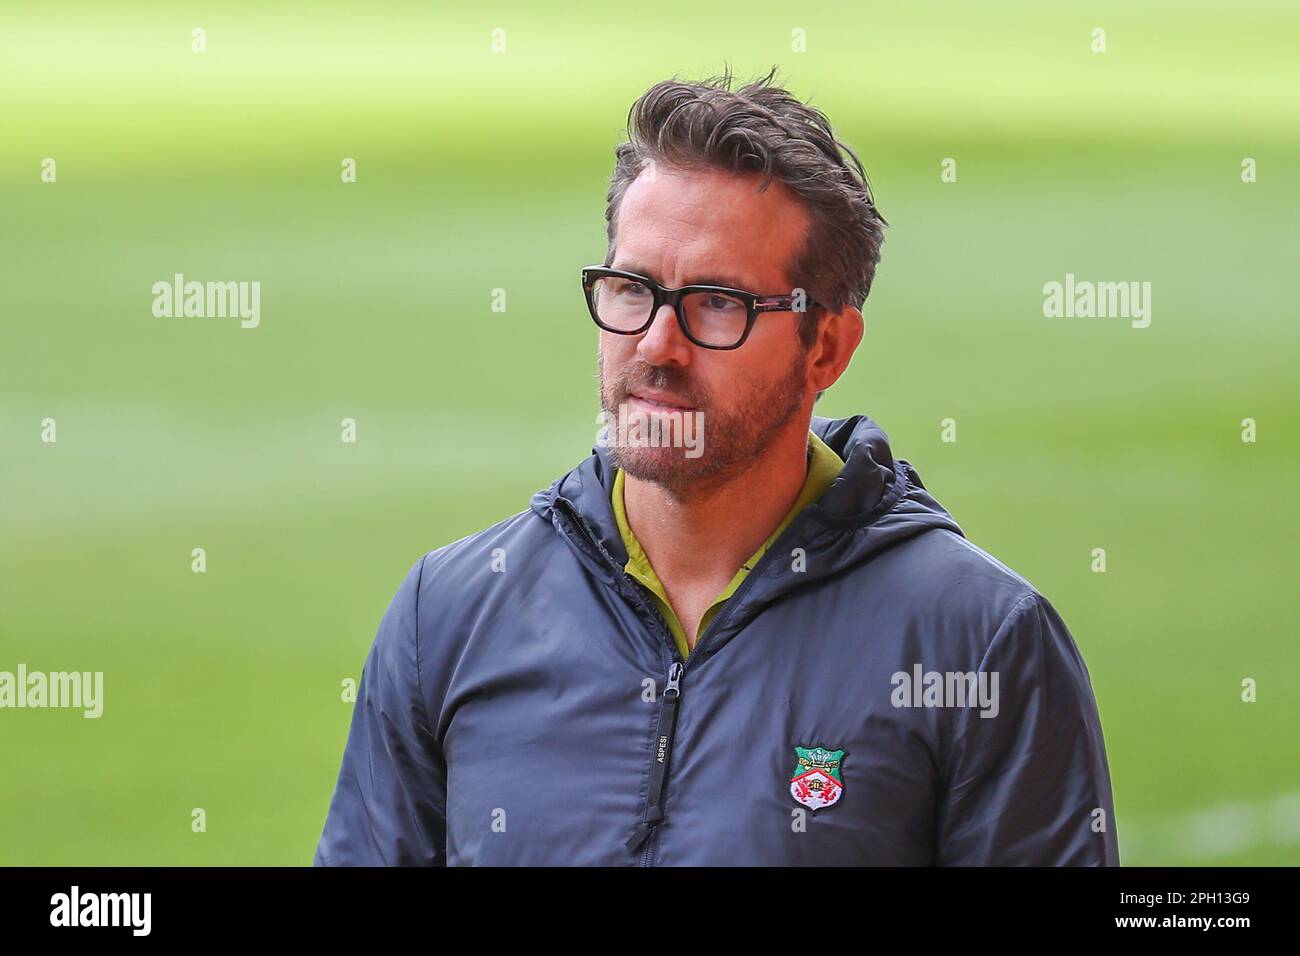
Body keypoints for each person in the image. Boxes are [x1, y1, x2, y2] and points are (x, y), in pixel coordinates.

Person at [313, 67, 1119, 866]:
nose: (658, 345)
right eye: (632, 289)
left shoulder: (977, 644)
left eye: (717, 304)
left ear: (826, 348)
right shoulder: (448, 618)